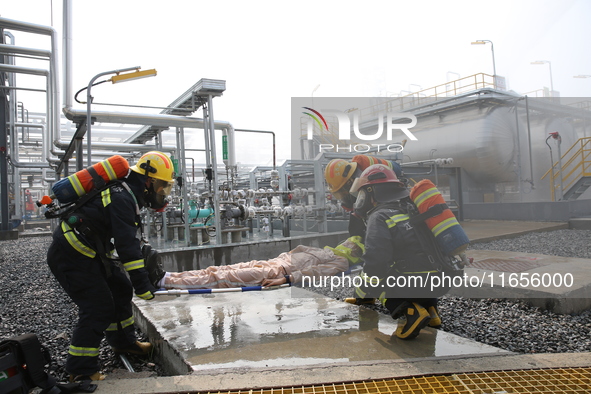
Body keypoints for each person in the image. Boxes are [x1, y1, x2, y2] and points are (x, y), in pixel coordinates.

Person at [46, 151, 175, 382]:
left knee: (121, 289)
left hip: (91, 253)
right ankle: (80, 369)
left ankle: (124, 343)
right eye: (161, 187)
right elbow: (128, 248)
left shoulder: (128, 194)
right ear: (148, 180)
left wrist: (137, 284)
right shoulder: (122, 198)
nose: (162, 193)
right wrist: (144, 286)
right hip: (71, 255)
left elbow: (126, 243)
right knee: (98, 307)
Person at [348, 164, 445, 340]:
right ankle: (432, 312)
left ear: (372, 192)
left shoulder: (380, 216)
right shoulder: (413, 209)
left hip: (415, 284)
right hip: (442, 280)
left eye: (362, 194)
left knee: (379, 277)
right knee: (416, 267)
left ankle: (412, 313)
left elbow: (375, 261)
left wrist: (362, 292)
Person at [324, 155, 406, 305]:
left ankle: (376, 297)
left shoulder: (366, 180)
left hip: (385, 199)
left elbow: (363, 206)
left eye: (343, 190)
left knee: (378, 253)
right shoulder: (355, 182)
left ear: (349, 181)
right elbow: (356, 209)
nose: (343, 195)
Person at [147, 238, 364, 290]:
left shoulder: (341, 262)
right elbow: (296, 250)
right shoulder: (326, 250)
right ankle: (169, 275)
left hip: (277, 270)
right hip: (273, 262)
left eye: (353, 246)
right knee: (221, 270)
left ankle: (165, 282)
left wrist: (284, 279)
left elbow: (314, 273)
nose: (348, 244)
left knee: (224, 279)